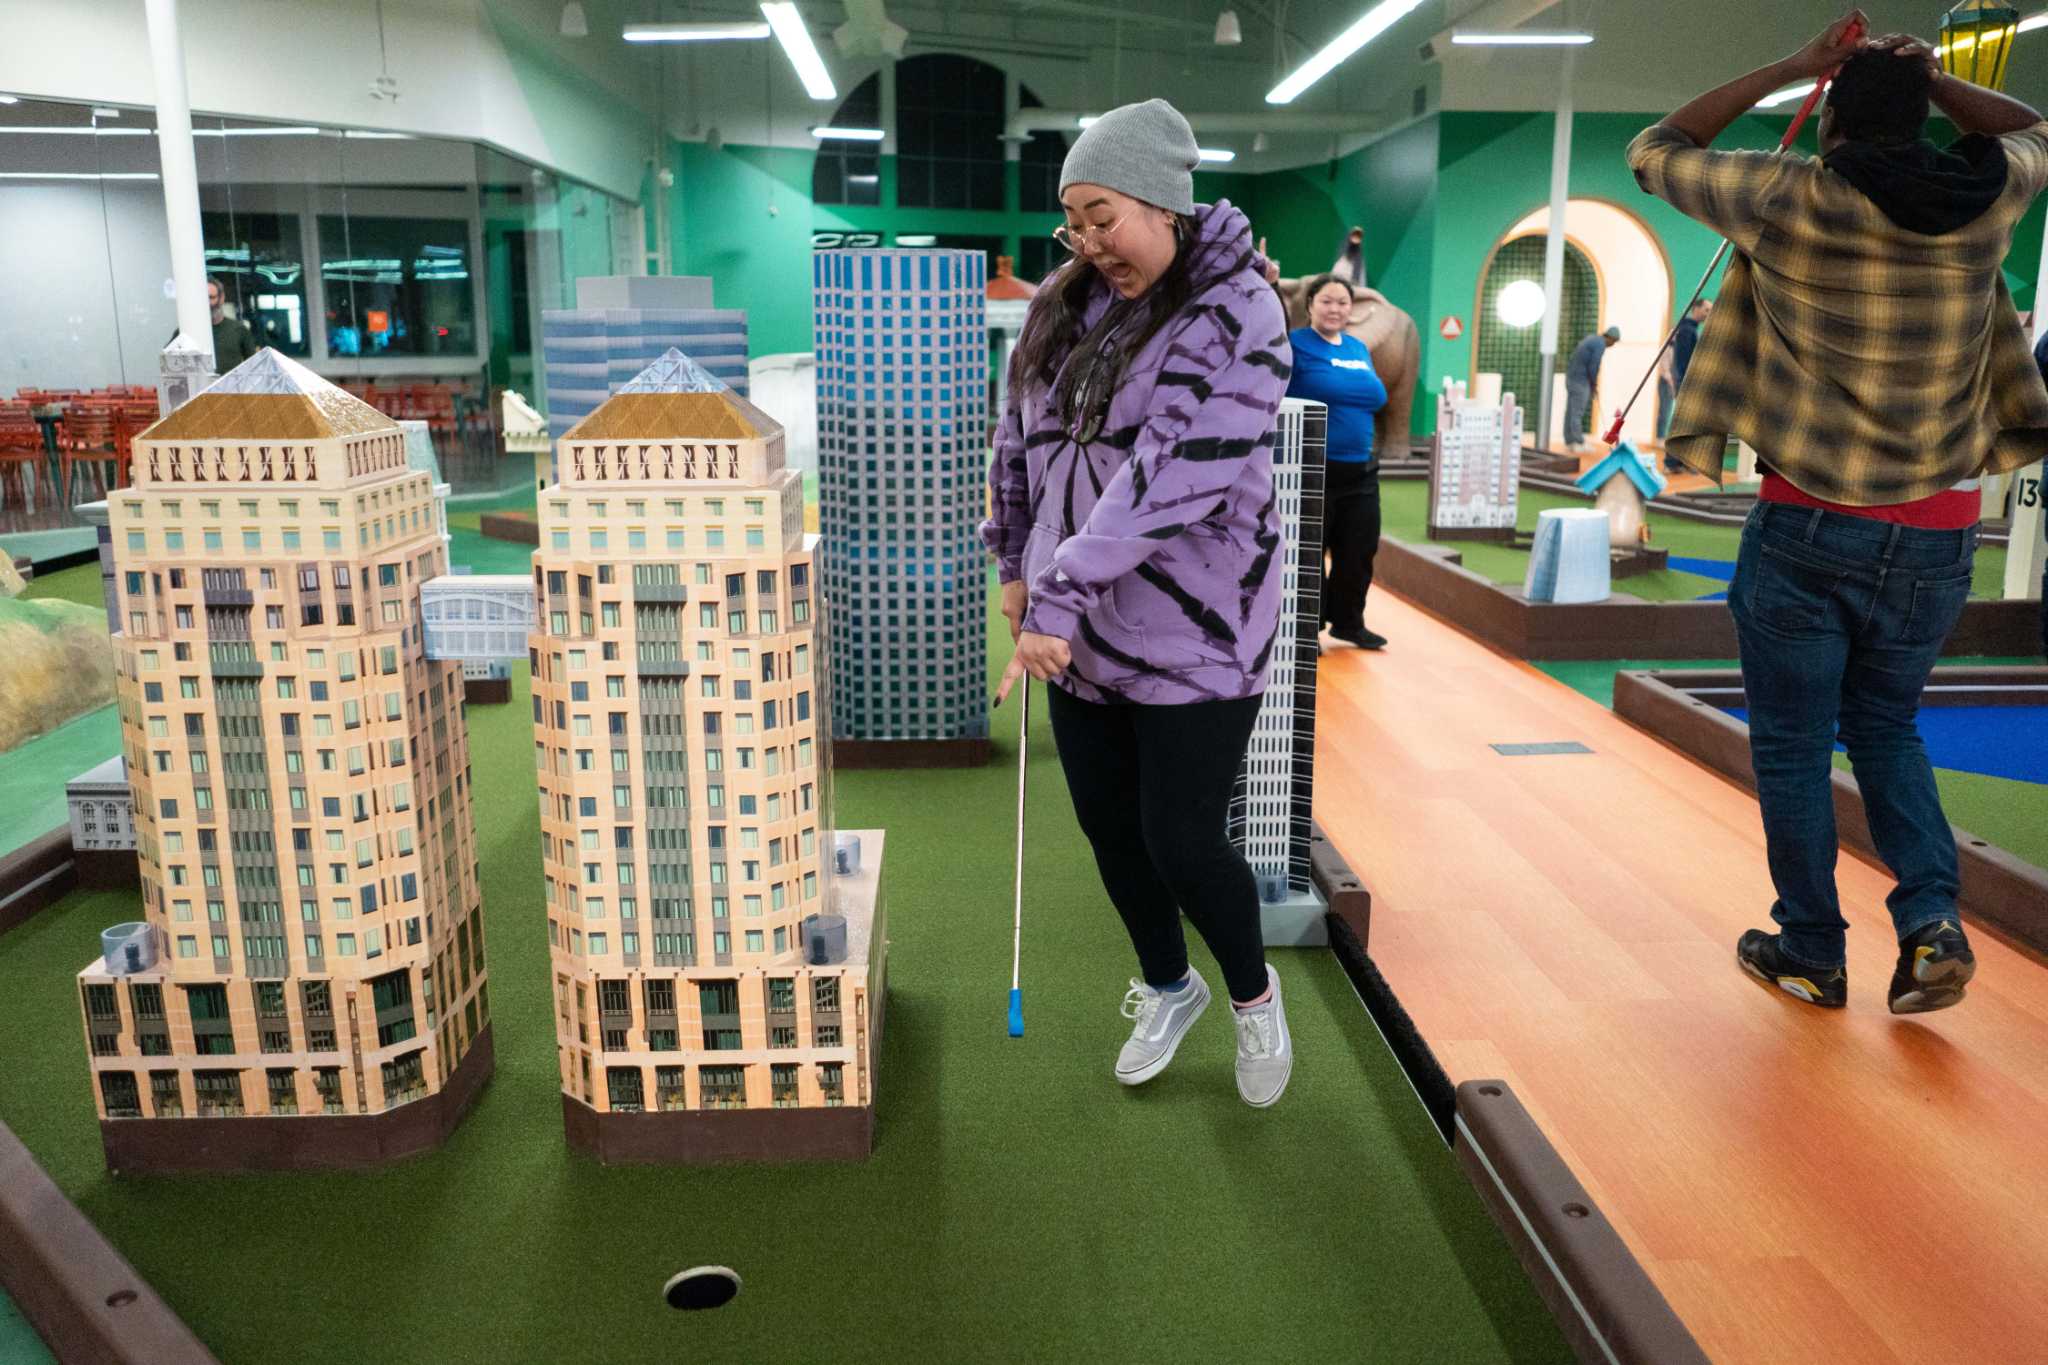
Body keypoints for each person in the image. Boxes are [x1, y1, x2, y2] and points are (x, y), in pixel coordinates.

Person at [1629, 11, 2048, 1013]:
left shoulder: (1785, 197)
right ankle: (1929, 922)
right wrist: (1934, 82)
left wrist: (1791, 65)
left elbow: (1655, 151)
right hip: (1941, 534)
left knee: (1789, 740)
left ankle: (1811, 950)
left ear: (1827, 127)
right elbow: (2031, 125)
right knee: (1885, 725)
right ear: (1926, 124)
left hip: (1805, 524)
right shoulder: (1986, 198)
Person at [982, 98, 1296, 1107]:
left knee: (1181, 838)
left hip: (1195, 627)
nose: (1088, 241)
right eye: (1073, 220)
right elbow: (1018, 439)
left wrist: (1058, 598)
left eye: (1103, 213)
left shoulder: (1237, 312)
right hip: (1073, 627)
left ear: (1162, 199)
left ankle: (1251, 998)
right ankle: (1169, 985)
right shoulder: (1059, 305)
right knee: (1109, 830)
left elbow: (1170, 478)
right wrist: (1015, 561)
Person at [1285, 273, 1390, 649]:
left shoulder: (1357, 349)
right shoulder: (1294, 345)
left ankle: (1349, 622)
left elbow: (1375, 398)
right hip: (1313, 467)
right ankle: (1306, 630)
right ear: (1310, 305)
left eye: (1342, 302)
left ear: (1352, 309)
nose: (1335, 309)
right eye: (1327, 301)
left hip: (1360, 468)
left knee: (1359, 550)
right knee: (1310, 551)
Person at [169, 277, 260, 371]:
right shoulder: (185, 331)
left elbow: (254, 367)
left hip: (230, 385)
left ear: (222, 298)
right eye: (203, 298)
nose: (207, 303)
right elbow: (169, 364)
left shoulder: (239, 330)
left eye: (211, 297)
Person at [1564, 325, 1620, 451]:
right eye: (1614, 342)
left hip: (1571, 378)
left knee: (1570, 411)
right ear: (1610, 338)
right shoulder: (1600, 344)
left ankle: (1570, 441)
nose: (1613, 345)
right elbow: (1594, 366)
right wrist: (1594, 384)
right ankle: (1579, 442)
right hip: (1580, 380)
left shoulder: (1592, 339)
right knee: (1577, 412)